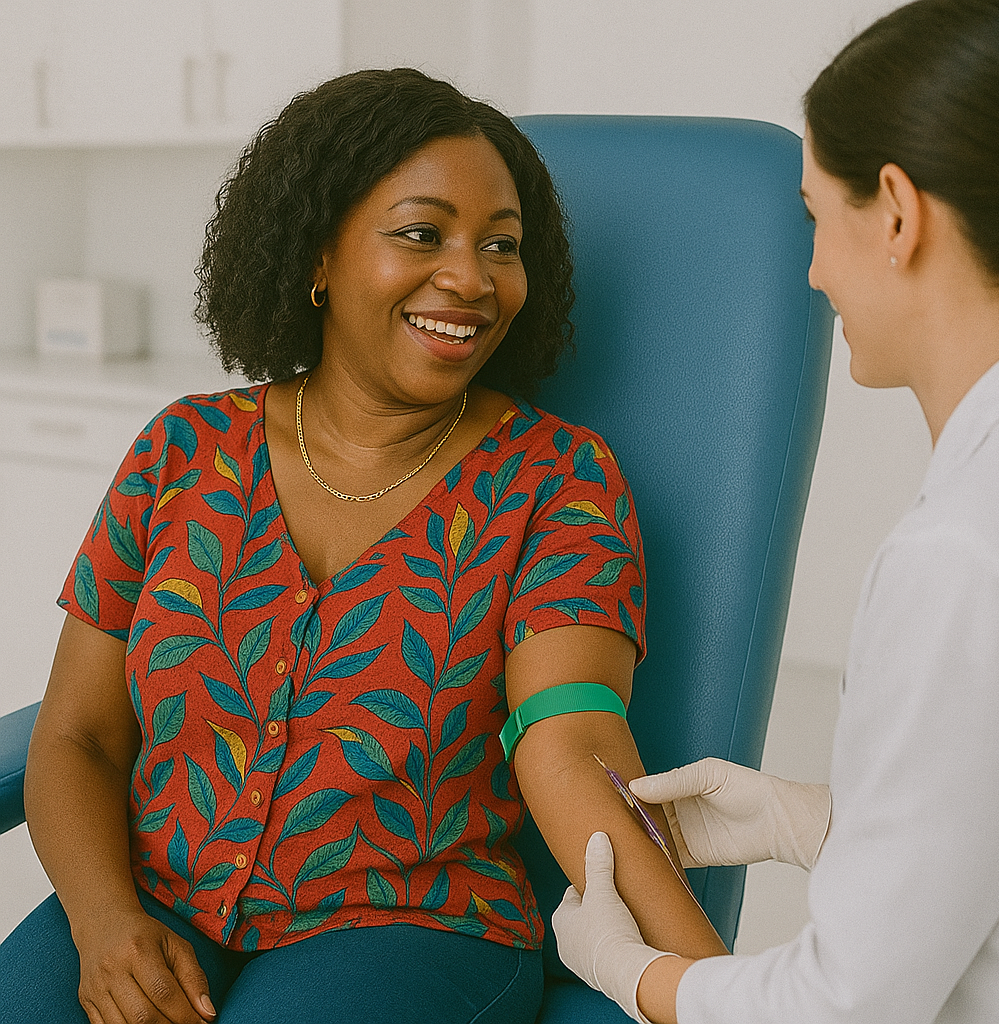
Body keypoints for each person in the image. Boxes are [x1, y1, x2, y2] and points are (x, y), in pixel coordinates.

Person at [0, 69, 724, 1024]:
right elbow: (78, 735)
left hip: (411, 927)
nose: (470, 278)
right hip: (152, 898)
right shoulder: (182, 451)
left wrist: (731, 996)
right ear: (320, 255)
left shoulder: (556, 481)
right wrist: (101, 924)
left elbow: (576, 746)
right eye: (421, 234)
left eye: (500, 246)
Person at [552, 1, 999, 1021]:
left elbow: (845, 1004)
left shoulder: (960, 556)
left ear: (895, 213)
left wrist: (635, 976)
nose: (809, 272)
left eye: (817, 218)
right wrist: (806, 819)